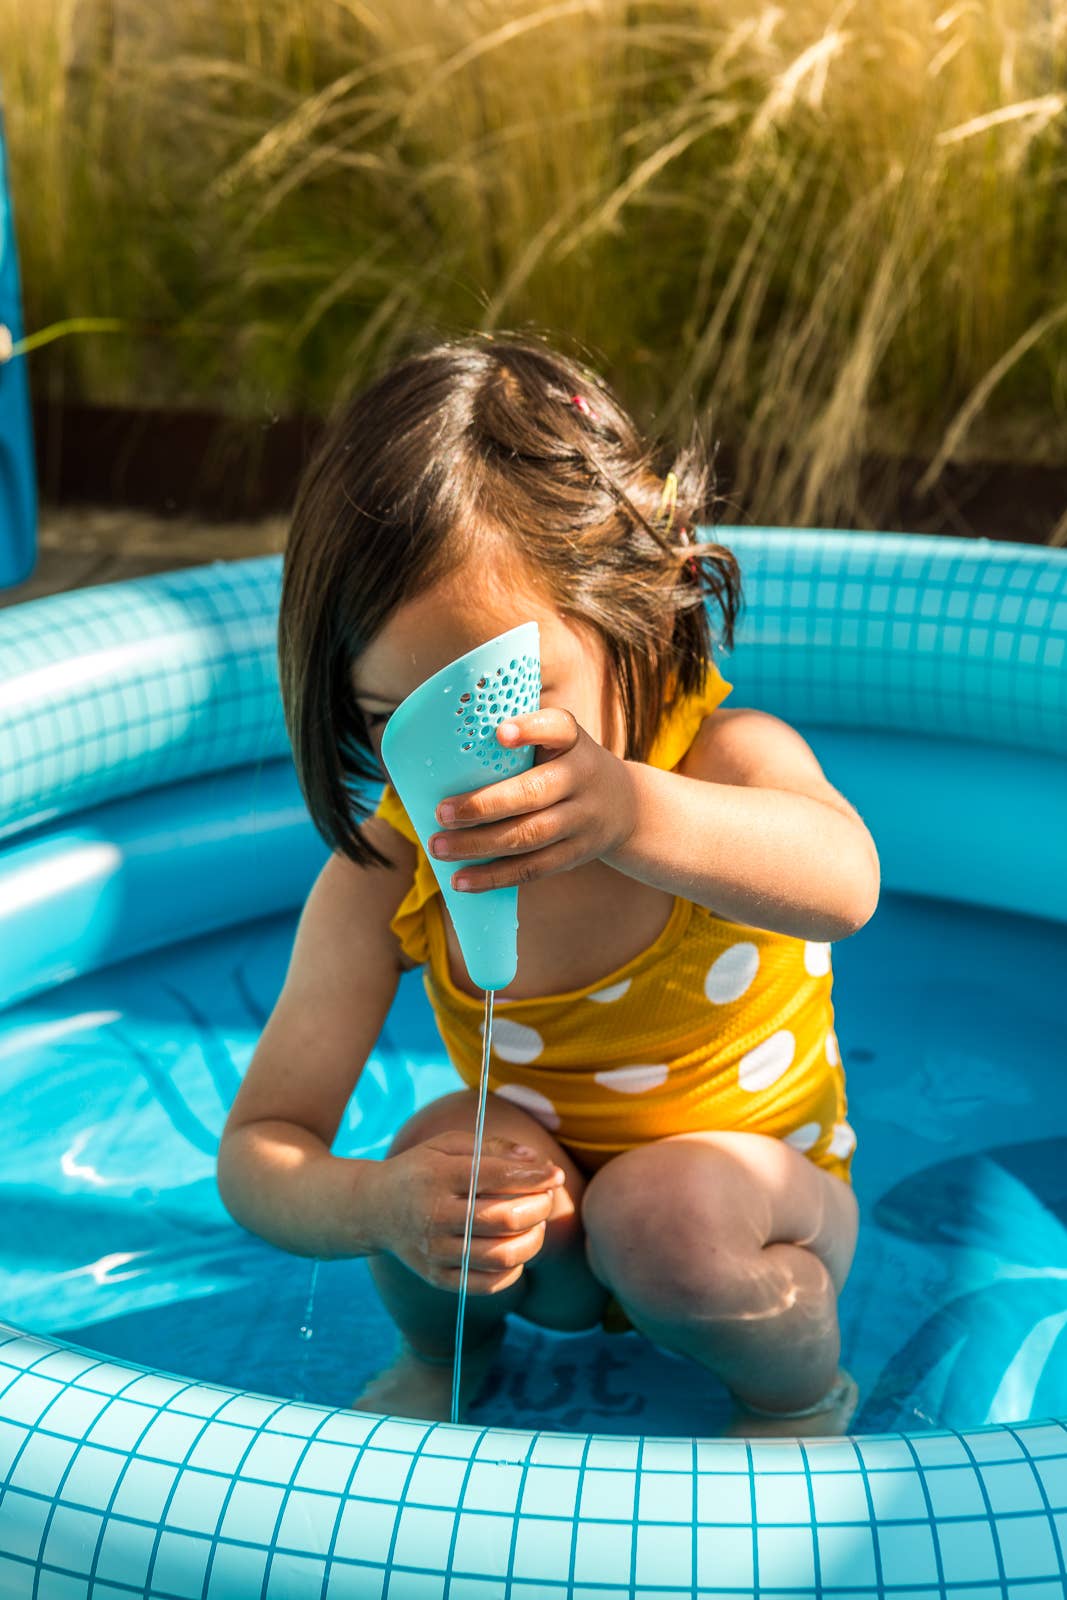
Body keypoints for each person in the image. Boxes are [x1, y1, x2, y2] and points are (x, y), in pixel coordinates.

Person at [217, 332, 879, 1435]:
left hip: (755, 1216)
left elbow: (844, 885)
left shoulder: (718, 767)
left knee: (660, 1212)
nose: (468, 772)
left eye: (502, 705)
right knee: (447, 1153)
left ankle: (795, 1399)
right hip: (547, 1244)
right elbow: (259, 1150)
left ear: (637, 612)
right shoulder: (391, 871)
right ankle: (444, 1359)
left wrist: (633, 813)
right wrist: (381, 1206)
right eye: (394, 723)